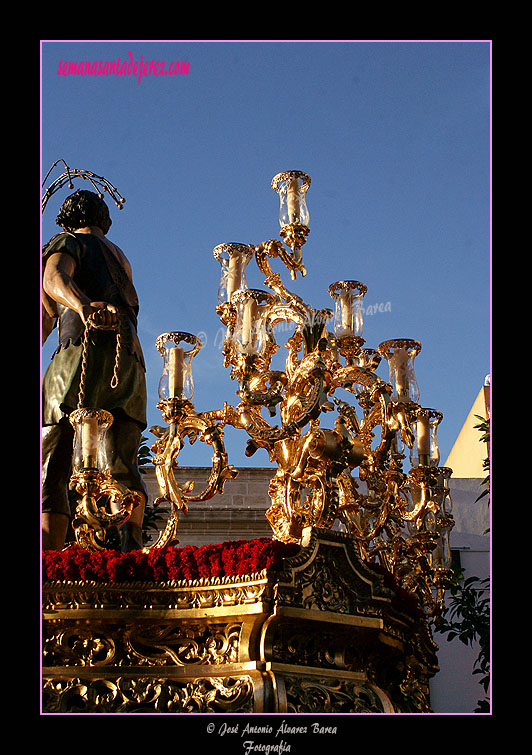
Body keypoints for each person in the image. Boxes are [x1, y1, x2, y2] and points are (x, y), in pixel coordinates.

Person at [42, 189, 147, 551]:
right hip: (130, 363)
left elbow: (53, 280)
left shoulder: (68, 241)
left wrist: (83, 305)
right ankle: (129, 546)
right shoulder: (122, 259)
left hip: (81, 356)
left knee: (53, 457)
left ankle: (48, 557)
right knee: (123, 461)